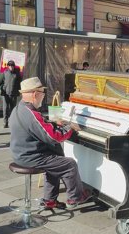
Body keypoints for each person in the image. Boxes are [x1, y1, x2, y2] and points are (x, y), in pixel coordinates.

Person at [9, 77, 92, 210]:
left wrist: (52, 123)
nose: (43, 96)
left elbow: (37, 127)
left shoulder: (18, 108)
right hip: (30, 157)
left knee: (55, 156)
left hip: (19, 154)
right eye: (42, 93)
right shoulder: (32, 114)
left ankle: (49, 200)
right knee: (69, 164)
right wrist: (70, 127)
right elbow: (54, 137)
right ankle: (75, 197)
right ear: (35, 94)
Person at [0, 60, 22, 128]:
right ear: (7, 66)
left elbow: (19, 84)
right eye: (9, 65)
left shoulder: (17, 74)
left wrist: (21, 91)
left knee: (13, 109)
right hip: (5, 94)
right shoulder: (4, 73)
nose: (11, 67)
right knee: (5, 109)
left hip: (14, 94)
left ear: (14, 66)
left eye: (12, 65)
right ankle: (5, 122)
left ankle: (12, 122)